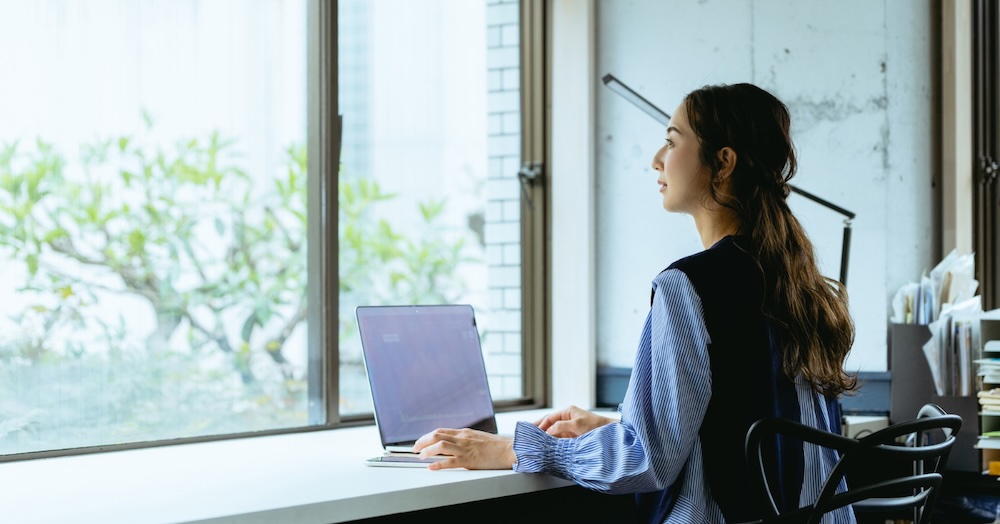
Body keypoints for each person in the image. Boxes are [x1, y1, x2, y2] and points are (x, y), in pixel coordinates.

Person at [412, 83, 857, 523]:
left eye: (671, 141)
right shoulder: (802, 284)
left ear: (723, 163)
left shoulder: (689, 286)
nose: (656, 160)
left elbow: (647, 460)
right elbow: (741, 424)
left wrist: (512, 447)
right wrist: (616, 429)